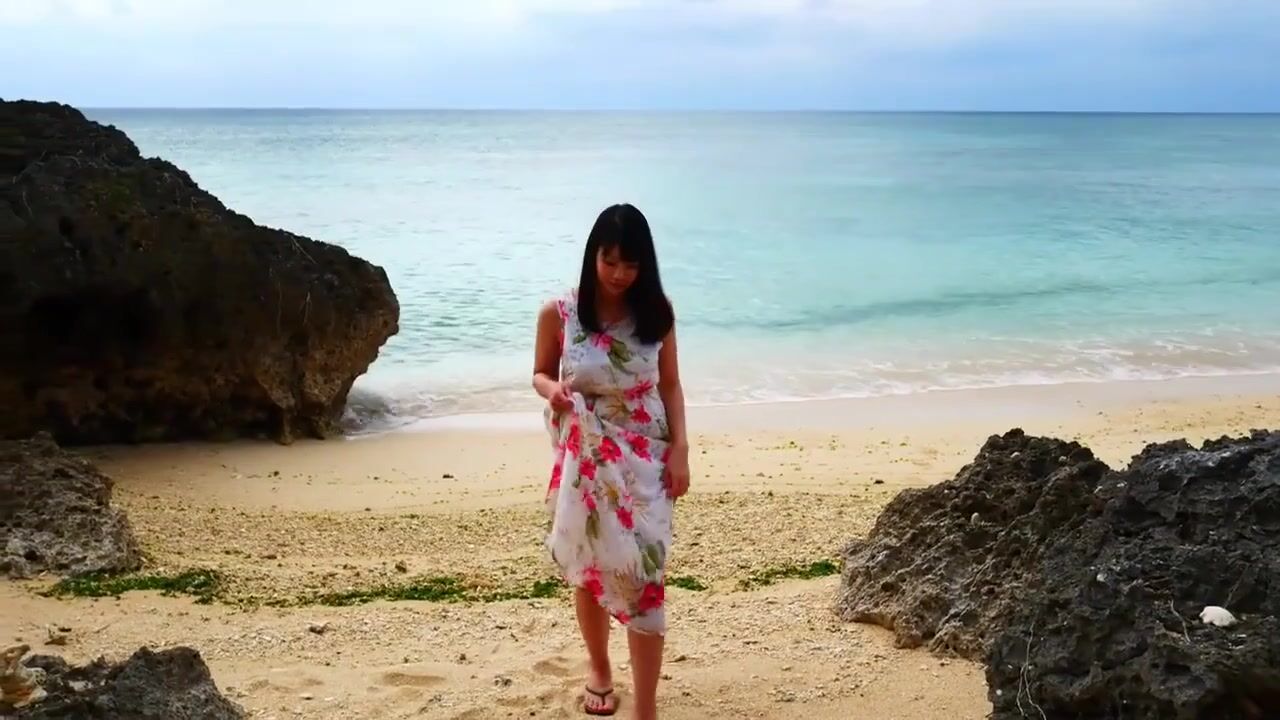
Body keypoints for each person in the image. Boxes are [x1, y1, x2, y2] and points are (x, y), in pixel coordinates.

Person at [532, 203, 691, 718]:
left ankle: (646, 707)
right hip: (585, 454)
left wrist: (682, 450)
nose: (620, 274)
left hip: (647, 456)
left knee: (646, 574)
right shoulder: (560, 312)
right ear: (593, 256)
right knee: (590, 563)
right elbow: (539, 373)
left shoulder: (658, 313)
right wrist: (553, 390)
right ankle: (599, 667)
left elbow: (670, 384)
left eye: (631, 264)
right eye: (611, 261)